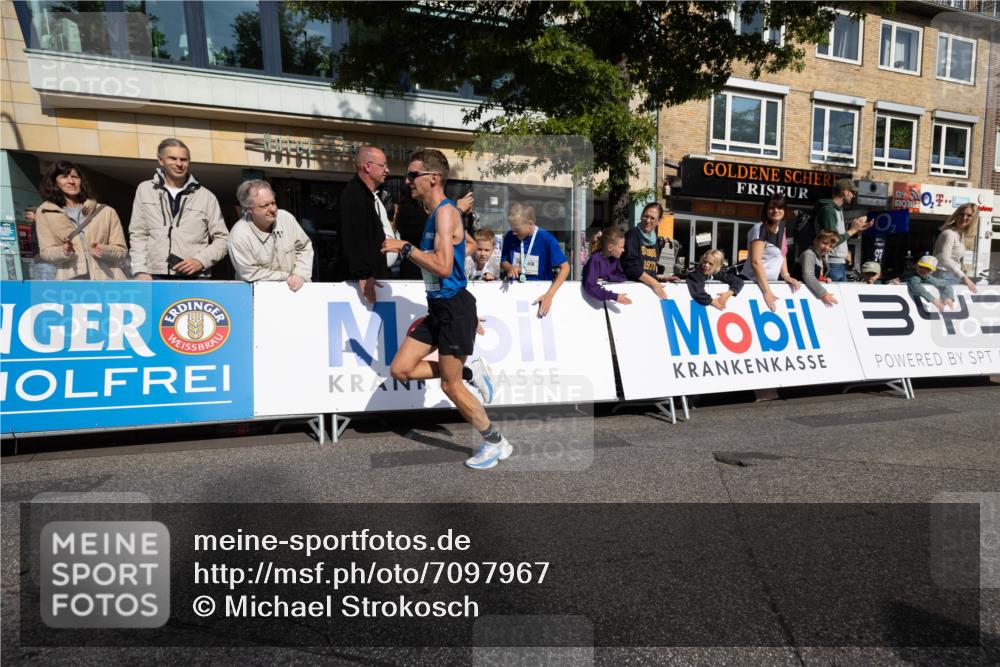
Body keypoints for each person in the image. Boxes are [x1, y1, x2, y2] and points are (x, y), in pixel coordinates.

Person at [380, 149, 510, 470]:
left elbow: (441, 265)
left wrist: (405, 248)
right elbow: (461, 245)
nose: (408, 181)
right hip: (441, 307)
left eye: (413, 175)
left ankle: (495, 442)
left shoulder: (443, 214)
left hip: (451, 308)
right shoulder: (439, 213)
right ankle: (469, 370)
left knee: (449, 387)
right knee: (401, 369)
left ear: (433, 178)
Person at [129, 138, 228, 280]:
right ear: (160, 160)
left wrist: (200, 261)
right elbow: (138, 233)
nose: (179, 164)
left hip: (194, 276)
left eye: (184, 159)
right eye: (173, 158)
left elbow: (223, 239)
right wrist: (139, 269)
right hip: (154, 275)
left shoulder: (206, 197)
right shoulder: (144, 190)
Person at [34, 160, 128, 280]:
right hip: (70, 284)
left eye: (75, 176)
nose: (71, 181)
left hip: (107, 280)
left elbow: (122, 251)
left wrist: (103, 250)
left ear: (81, 181)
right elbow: (45, 252)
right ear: (54, 182)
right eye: (64, 177)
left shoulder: (106, 211)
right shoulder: (45, 212)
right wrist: (63, 251)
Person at [228, 180, 313, 291]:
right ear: (249, 209)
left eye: (273, 203)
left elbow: (305, 247)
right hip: (257, 296)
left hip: (295, 290)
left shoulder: (286, 218)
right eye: (265, 206)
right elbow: (249, 273)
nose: (273, 209)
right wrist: (287, 277)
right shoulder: (239, 235)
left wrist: (300, 274)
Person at [339, 145, 393, 302]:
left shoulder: (365, 195)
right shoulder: (354, 196)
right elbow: (354, 238)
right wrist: (363, 275)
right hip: (362, 288)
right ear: (367, 167)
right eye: (382, 165)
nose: (387, 170)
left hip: (372, 280)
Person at [499, 202, 569, 317]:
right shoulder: (510, 236)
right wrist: (510, 268)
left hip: (540, 294)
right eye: (511, 228)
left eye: (517, 228)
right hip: (514, 292)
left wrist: (549, 295)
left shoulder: (546, 239)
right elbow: (503, 261)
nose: (513, 232)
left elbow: (565, 268)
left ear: (530, 224)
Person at [741, 194, 802, 311]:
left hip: (769, 284)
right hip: (752, 284)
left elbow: (782, 253)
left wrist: (786, 275)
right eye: (771, 208)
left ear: (784, 210)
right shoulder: (760, 229)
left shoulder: (782, 227)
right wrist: (766, 291)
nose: (776, 211)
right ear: (765, 210)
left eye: (780, 207)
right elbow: (756, 262)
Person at [813, 178, 872, 282]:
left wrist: (855, 229)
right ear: (845, 192)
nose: (853, 195)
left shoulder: (837, 210)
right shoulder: (828, 210)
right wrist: (853, 230)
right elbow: (830, 242)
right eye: (852, 192)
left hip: (838, 263)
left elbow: (837, 240)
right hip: (831, 263)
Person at [622, 203, 670, 299]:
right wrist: (654, 283)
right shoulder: (632, 235)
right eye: (645, 216)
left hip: (648, 292)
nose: (648, 220)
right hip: (631, 291)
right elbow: (632, 267)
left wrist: (661, 278)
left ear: (659, 221)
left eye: (652, 218)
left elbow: (650, 269)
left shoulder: (656, 241)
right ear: (641, 216)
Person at [933, 203, 979, 294]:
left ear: (973, 219)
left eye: (969, 215)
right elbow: (944, 259)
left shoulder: (960, 235)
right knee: (949, 306)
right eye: (961, 214)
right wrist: (964, 277)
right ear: (956, 215)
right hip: (944, 275)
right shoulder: (949, 233)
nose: (964, 217)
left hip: (951, 275)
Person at [581, 226, 632, 304]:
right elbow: (590, 286)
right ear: (610, 247)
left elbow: (622, 276)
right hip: (591, 304)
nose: (623, 250)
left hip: (604, 303)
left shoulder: (615, 258)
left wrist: (606, 277)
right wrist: (615, 296)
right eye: (621, 247)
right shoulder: (595, 259)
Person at [797, 229, 840, 308]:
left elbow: (815, 276)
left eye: (830, 246)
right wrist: (823, 293)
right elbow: (808, 276)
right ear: (816, 240)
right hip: (799, 295)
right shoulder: (809, 254)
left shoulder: (820, 258)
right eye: (824, 243)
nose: (827, 248)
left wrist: (823, 279)